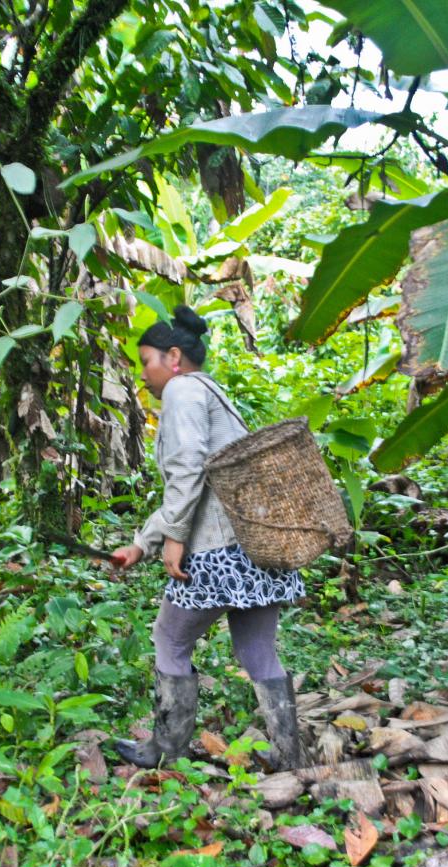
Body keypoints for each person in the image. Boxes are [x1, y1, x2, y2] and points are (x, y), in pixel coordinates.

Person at [108, 305, 305, 771]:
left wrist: (173, 537)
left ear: (173, 357)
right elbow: (198, 480)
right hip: (256, 544)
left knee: (169, 639)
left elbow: (189, 470)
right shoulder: (211, 392)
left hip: (218, 550)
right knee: (257, 650)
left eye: (147, 362)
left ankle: (165, 751)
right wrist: (142, 543)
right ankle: (289, 754)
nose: (144, 374)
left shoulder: (181, 390)